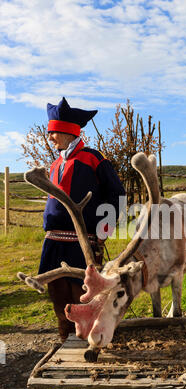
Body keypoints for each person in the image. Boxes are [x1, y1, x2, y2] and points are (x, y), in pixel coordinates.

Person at [38, 97, 126, 341]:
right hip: (54, 242)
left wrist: (103, 230)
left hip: (82, 242)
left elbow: (118, 195)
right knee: (58, 295)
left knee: (83, 296)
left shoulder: (93, 159)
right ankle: (66, 340)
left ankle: (88, 342)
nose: (50, 137)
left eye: (53, 132)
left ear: (67, 131)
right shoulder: (56, 164)